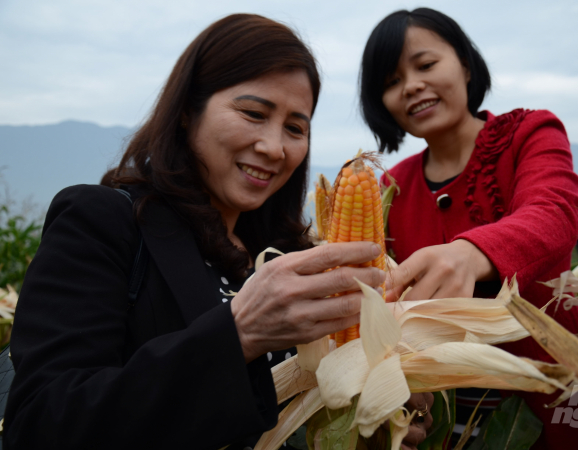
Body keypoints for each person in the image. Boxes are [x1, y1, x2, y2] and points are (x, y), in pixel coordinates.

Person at [4, 14, 395, 449]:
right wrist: (237, 334)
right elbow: (40, 423)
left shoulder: (289, 256)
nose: (274, 147)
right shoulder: (101, 222)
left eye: (295, 128)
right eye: (253, 113)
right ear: (189, 111)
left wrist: (379, 416)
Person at [359, 8, 578, 449]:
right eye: (391, 82)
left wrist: (470, 253)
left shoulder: (530, 133)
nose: (411, 86)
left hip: (558, 406)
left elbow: (552, 211)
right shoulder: (390, 186)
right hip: (437, 425)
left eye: (425, 65)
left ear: (464, 63)